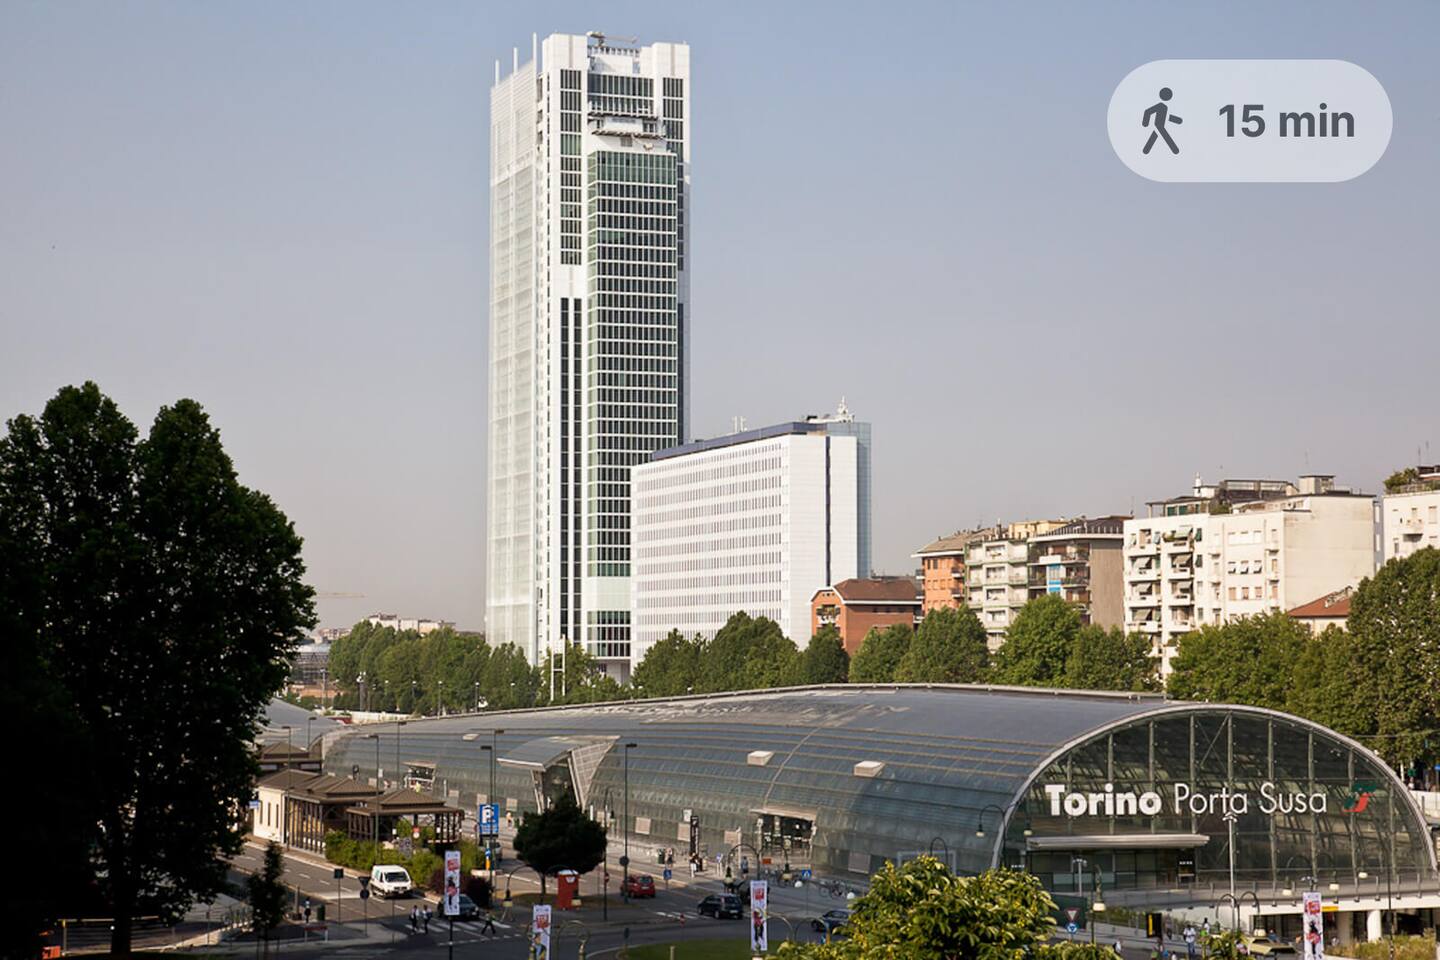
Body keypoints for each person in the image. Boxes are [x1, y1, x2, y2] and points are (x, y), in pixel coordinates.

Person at [1142, 87, 1183, 155]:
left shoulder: (1164, 107)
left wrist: (1178, 120)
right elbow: (1148, 112)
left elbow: (1168, 117)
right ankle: (1175, 150)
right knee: (1164, 137)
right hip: (1158, 125)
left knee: (1155, 136)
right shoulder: (1160, 106)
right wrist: (1145, 123)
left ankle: (1146, 150)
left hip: (1160, 126)